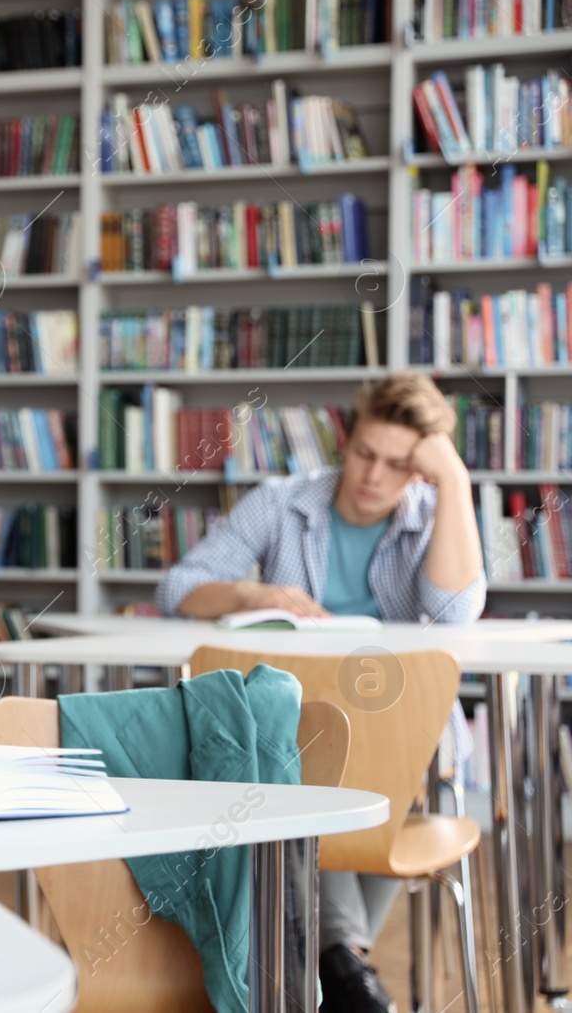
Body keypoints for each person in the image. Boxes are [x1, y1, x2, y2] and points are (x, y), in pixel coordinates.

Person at [157, 371, 484, 1013]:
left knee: (372, 759)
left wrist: (456, 482)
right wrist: (255, 593)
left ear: (420, 470)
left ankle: (339, 962)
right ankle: (347, 965)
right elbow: (177, 588)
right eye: (365, 453)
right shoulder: (282, 501)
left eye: (398, 464)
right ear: (345, 440)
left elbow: (453, 612)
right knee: (309, 759)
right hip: (293, 725)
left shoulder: (429, 516)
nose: (373, 476)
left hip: (401, 734)